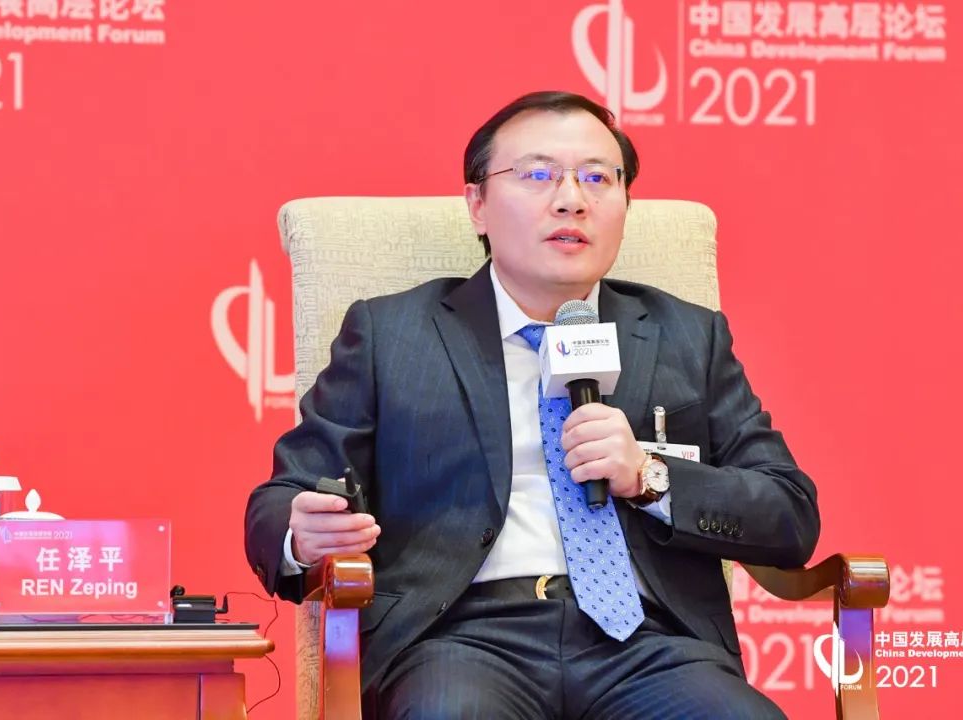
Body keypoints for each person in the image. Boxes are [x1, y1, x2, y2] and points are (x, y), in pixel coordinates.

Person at [245, 90, 820, 719]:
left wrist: (649, 477)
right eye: (539, 175)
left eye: (598, 178)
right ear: (478, 205)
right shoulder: (393, 334)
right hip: (459, 640)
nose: (572, 199)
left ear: (625, 205)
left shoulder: (687, 335)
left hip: (651, 647)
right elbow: (283, 496)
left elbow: (789, 515)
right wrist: (303, 534)